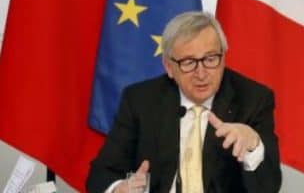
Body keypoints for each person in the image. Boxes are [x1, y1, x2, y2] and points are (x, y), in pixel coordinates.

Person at [86, 11, 282, 193]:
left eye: (210, 59)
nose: (201, 74)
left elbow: (270, 187)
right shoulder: (141, 100)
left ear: (223, 58)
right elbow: (101, 174)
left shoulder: (253, 99)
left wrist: (253, 147)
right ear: (169, 67)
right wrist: (118, 188)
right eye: (188, 62)